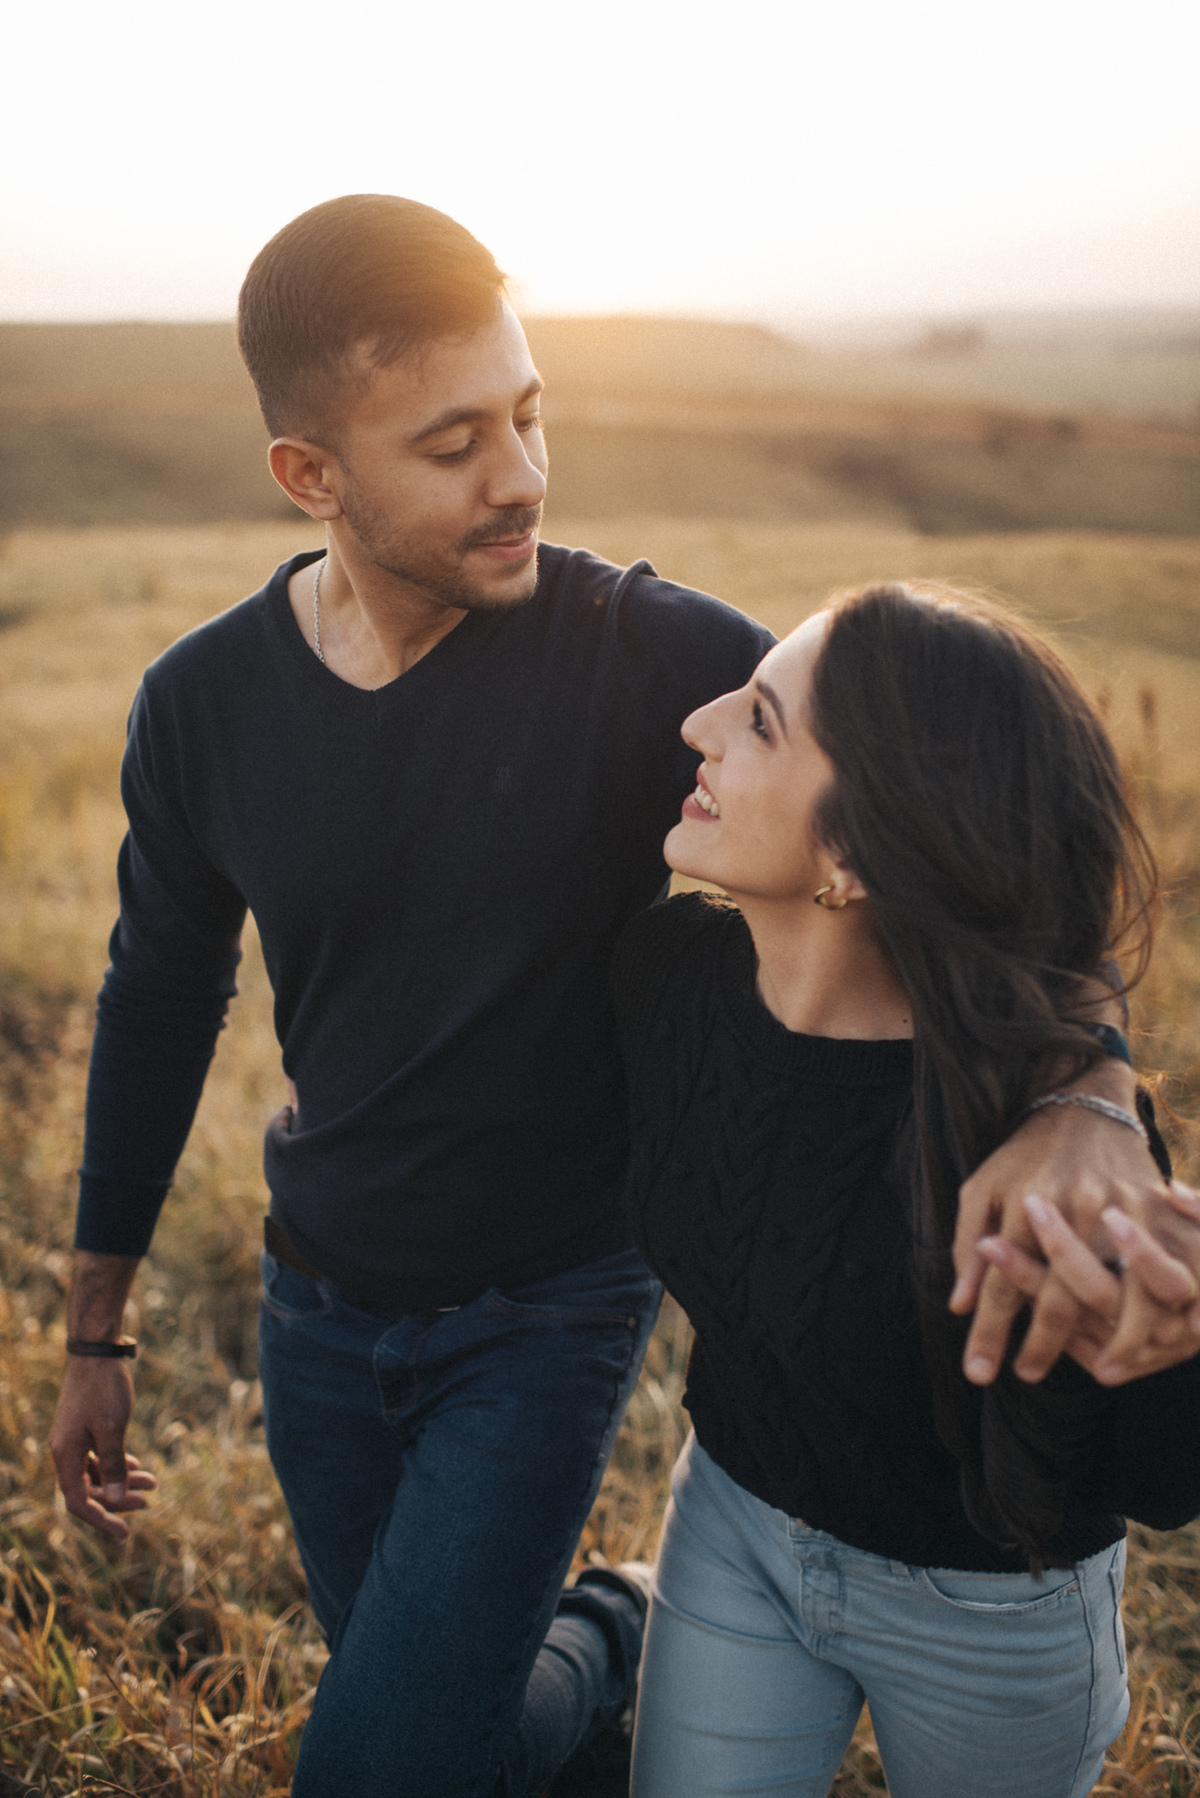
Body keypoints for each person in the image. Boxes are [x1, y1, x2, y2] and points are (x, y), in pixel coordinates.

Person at [44, 197, 1199, 1798]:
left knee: (377, 1766)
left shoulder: (644, 653)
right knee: (444, 1722)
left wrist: (1086, 1095)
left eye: (529, 412)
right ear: (312, 477)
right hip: (315, 1300)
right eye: (454, 443)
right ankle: (601, 1667)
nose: (519, 473)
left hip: (548, 1308)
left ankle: (602, 1620)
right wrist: (93, 1325)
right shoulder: (201, 705)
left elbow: (965, 828)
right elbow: (156, 994)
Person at [614, 584, 1200, 1798]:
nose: (700, 722)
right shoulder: (664, 977)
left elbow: (1160, 1485)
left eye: (762, 722)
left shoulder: (1036, 1126)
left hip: (987, 1613)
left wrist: (1175, 1357)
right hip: (732, 1530)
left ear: (858, 855)